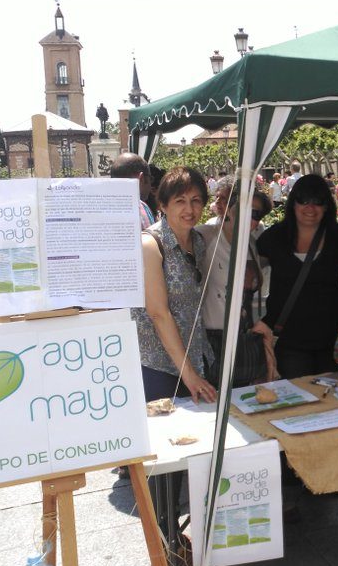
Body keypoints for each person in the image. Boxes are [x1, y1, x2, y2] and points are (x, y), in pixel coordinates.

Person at [253, 174, 338, 379]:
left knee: (329, 402)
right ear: (293, 203)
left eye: (318, 201)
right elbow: (247, 269)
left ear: (327, 206)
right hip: (289, 340)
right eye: (304, 200)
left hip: (331, 340)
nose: (311, 207)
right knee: (300, 401)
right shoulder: (275, 237)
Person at [132, 166, 218, 404]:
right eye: (180, 201)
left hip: (197, 359)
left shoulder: (198, 241)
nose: (189, 209)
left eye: (196, 200)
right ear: (163, 205)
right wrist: (189, 376)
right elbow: (159, 313)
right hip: (159, 369)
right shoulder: (150, 244)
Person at [198, 177, 272, 385]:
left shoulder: (251, 243)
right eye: (244, 208)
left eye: (255, 214)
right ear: (230, 207)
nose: (249, 217)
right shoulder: (206, 235)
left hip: (245, 341)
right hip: (214, 341)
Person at [109, 152, 154, 229]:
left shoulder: (97, 209)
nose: (150, 187)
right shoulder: (140, 207)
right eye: (150, 179)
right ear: (142, 178)